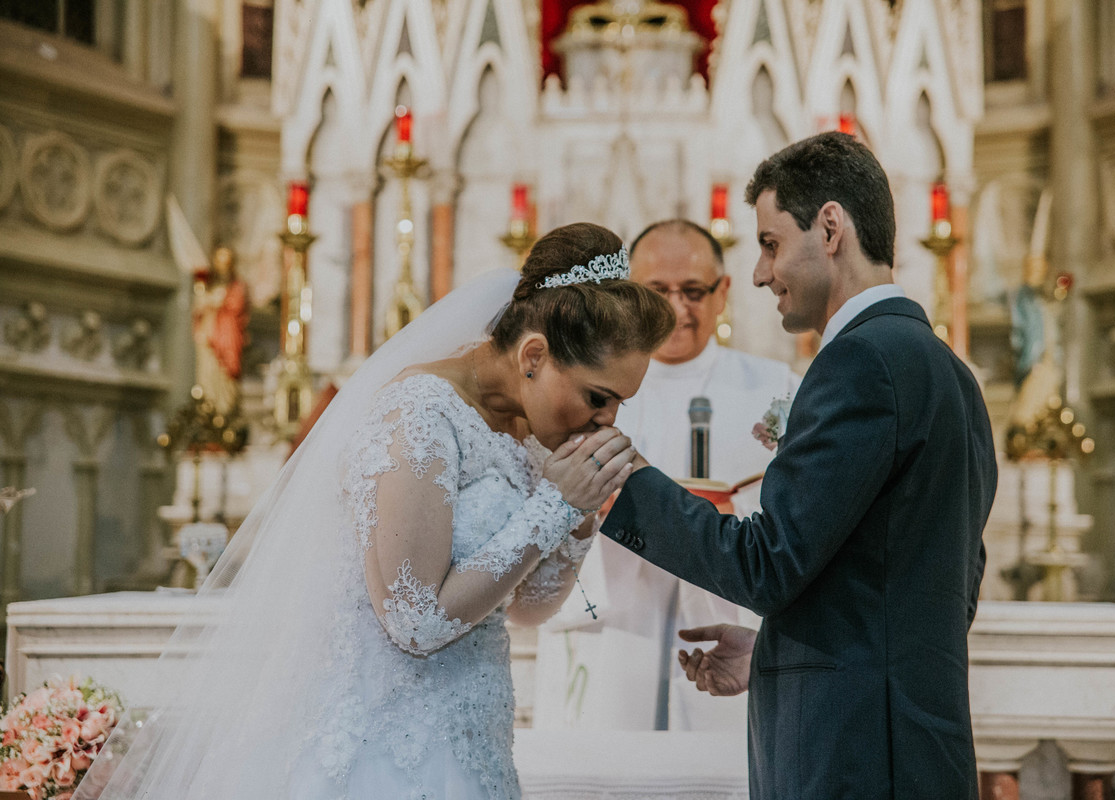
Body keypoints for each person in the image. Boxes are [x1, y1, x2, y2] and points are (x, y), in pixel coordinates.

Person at [75, 223, 675, 800]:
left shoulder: (526, 430)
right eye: (598, 398)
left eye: (618, 404)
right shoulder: (418, 414)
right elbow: (414, 623)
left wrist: (579, 515)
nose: (607, 420)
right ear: (534, 355)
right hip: (384, 746)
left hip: (474, 743)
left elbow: (529, 608)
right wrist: (552, 504)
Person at [601, 133, 997, 798]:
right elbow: (943, 587)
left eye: (771, 243)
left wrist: (620, 478)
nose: (760, 273)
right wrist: (779, 655)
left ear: (831, 227)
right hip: (910, 749)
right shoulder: (950, 372)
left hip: (855, 759)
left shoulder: (858, 363)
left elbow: (766, 563)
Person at [535, 220, 799, 732]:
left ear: (723, 292)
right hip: (613, 618)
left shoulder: (776, 390)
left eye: (694, 292)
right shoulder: (585, 386)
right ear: (629, 294)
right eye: (658, 291)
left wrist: (726, 517)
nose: (678, 308)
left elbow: (805, 511)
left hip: (725, 621)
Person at [191, 245, 249, 414]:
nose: (222, 266)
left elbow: (237, 306)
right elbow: (198, 310)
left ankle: (224, 411)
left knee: (225, 377)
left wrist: (218, 302)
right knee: (207, 372)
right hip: (209, 335)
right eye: (219, 261)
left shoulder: (237, 286)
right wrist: (203, 303)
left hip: (226, 337)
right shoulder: (209, 285)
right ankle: (208, 407)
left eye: (226, 262)